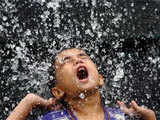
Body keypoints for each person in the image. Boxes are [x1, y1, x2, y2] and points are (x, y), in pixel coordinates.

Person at [7, 48, 156, 120]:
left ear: (100, 79)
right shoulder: (54, 119)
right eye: (66, 60)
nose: (77, 60)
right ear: (58, 91)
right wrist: (30, 101)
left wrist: (150, 117)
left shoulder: (121, 117)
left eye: (83, 56)